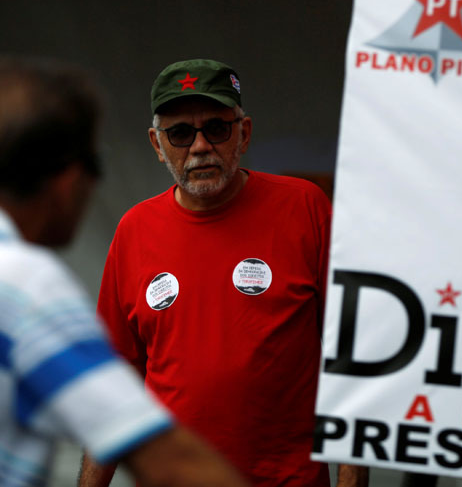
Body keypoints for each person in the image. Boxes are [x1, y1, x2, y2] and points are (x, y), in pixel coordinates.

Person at [78, 58, 367, 487]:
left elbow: (352, 355)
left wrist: (352, 480)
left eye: (216, 128)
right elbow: (115, 382)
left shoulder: (305, 208)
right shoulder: (134, 230)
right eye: (179, 133)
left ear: (243, 133)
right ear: (157, 145)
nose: (199, 147)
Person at [0, 55, 251, 487]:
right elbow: (162, 456)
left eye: (216, 128)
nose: (200, 146)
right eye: (95, 166)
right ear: (69, 177)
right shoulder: (25, 287)